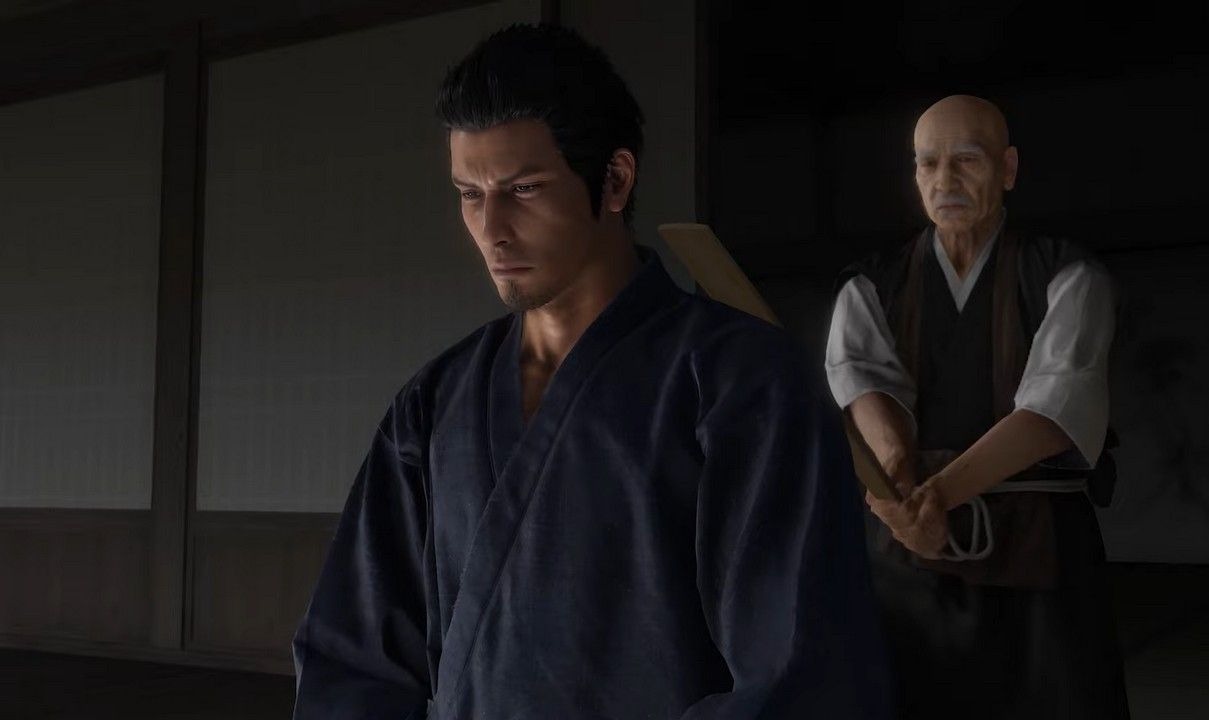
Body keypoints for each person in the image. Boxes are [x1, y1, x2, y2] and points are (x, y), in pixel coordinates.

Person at [293, 23, 890, 720]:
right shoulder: (434, 402)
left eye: (522, 188)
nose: (491, 229)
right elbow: (353, 659)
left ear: (614, 180)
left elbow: (795, 674)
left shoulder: (742, 383)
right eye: (469, 193)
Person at [825, 94, 1129, 719]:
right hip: (909, 553)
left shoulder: (1068, 276)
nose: (945, 180)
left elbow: (1051, 412)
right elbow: (867, 391)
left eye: (967, 160)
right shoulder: (871, 285)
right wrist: (899, 480)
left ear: (1008, 168)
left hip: (1040, 548)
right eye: (928, 163)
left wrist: (936, 497)